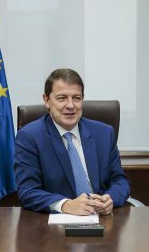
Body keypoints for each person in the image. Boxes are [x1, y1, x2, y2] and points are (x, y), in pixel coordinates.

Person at [14, 68, 130, 214]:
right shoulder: (30, 137)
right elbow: (28, 192)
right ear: (47, 100)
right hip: (55, 226)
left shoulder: (104, 133)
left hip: (101, 219)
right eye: (62, 98)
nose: (70, 105)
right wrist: (66, 205)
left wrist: (109, 199)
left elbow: (120, 181)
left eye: (76, 98)